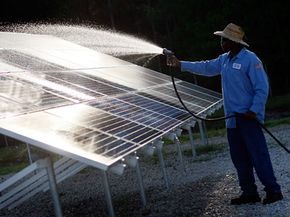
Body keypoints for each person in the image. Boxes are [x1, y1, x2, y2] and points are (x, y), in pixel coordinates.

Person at [167, 23, 283, 205]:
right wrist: (180, 64)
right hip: (232, 121)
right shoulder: (224, 60)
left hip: (249, 118)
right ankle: (249, 193)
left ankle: (274, 191)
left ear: (234, 41)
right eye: (222, 39)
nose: (221, 42)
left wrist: (254, 110)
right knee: (239, 159)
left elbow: (262, 88)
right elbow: (205, 67)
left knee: (258, 156)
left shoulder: (250, 60)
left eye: (225, 39)